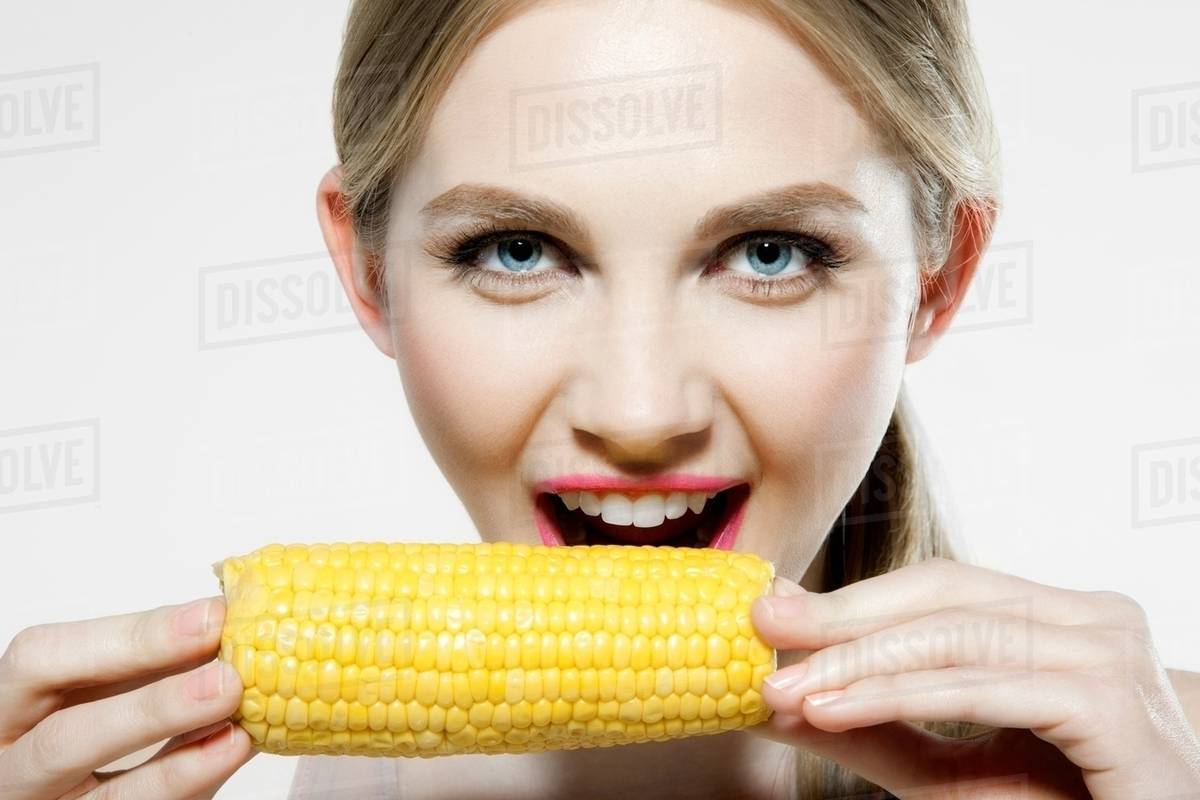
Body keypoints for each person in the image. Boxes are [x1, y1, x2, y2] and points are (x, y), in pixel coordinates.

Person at [3, 1, 1198, 798]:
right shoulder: (337, 779)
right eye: (516, 250)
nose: (639, 409)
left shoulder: (1153, 761)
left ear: (940, 277)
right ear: (365, 268)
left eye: (773, 252)